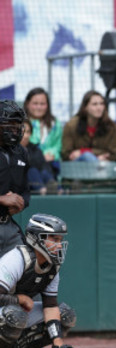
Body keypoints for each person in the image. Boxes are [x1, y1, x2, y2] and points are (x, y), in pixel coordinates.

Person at [0, 213, 85, 348]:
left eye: (60, 240)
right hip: (8, 311)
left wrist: (58, 344)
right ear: (36, 238)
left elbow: (50, 307)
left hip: (11, 312)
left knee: (64, 315)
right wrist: (18, 299)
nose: (59, 246)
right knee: (14, 314)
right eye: (54, 239)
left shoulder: (52, 266)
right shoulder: (17, 259)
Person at [0, 100, 30, 257]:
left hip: (8, 225)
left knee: (24, 271)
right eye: (9, 124)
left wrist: (21, 202)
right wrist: (1, 199)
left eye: (17, 124)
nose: (14, 129)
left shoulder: (21, 152)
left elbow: (26, 191)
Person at [61, 90, 116, 162]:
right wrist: (92, 156)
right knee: (87, 156)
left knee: (87, 155)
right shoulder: (71, 126)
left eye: (102, 104)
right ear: (85, 107)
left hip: (103, 167)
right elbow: (66, 154)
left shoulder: (111, 127)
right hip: (77, 167)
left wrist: (84, 152)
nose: (99, 108)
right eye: (94, 104)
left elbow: (112, 154)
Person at [23, 88, 62, 178]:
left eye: (42, 104)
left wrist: (52, 154)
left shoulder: (55, 123)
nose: (39, 107)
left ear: (47, 105)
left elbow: (58, 145)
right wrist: (41, 156)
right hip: (29, 164)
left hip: (51, 163)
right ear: (27, 104)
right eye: (35, 104)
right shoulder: (21, 123)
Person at [20, 119, 59, 195]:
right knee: (32, 171)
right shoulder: (10, 150)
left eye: (28, 132)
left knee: (45, 172)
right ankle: (44, 191)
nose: (26, 136)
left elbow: (43, 165)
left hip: (39, 179)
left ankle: (58, 190)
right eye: (22, 132)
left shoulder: (35, 149)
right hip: (21, 184)